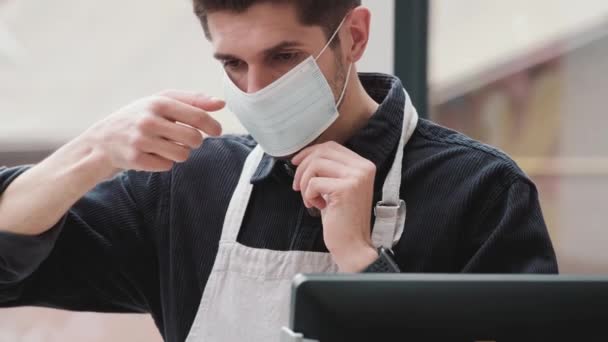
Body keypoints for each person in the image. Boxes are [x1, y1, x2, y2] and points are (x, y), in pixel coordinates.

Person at [0, 1, 558, 341]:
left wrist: (364, 264)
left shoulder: (480, 191)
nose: (257, 89)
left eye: (284, 56)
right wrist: (93, 152)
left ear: (354, 36)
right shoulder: (188, 183)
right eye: (233, 64)